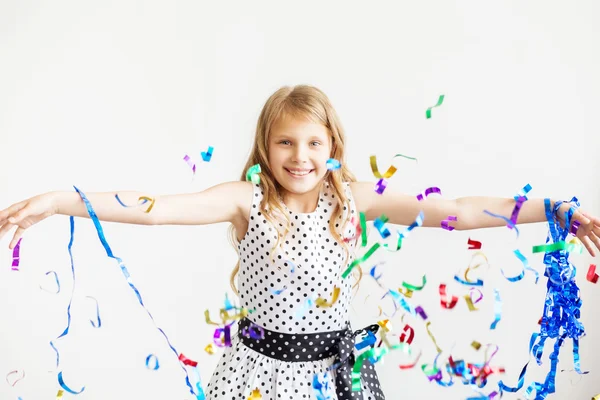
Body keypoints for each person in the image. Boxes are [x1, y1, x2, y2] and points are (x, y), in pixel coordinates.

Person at [0, 85, 599, 400]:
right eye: (285, 143)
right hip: (258, 374)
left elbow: (459, 211)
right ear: (266, 148)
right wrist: (58, 201)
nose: (300, 157)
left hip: (335, 376)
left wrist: (554, 209)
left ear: (331, 143)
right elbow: (157, 211)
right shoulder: (246, 199)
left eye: (313, 143)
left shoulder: (355, 199)